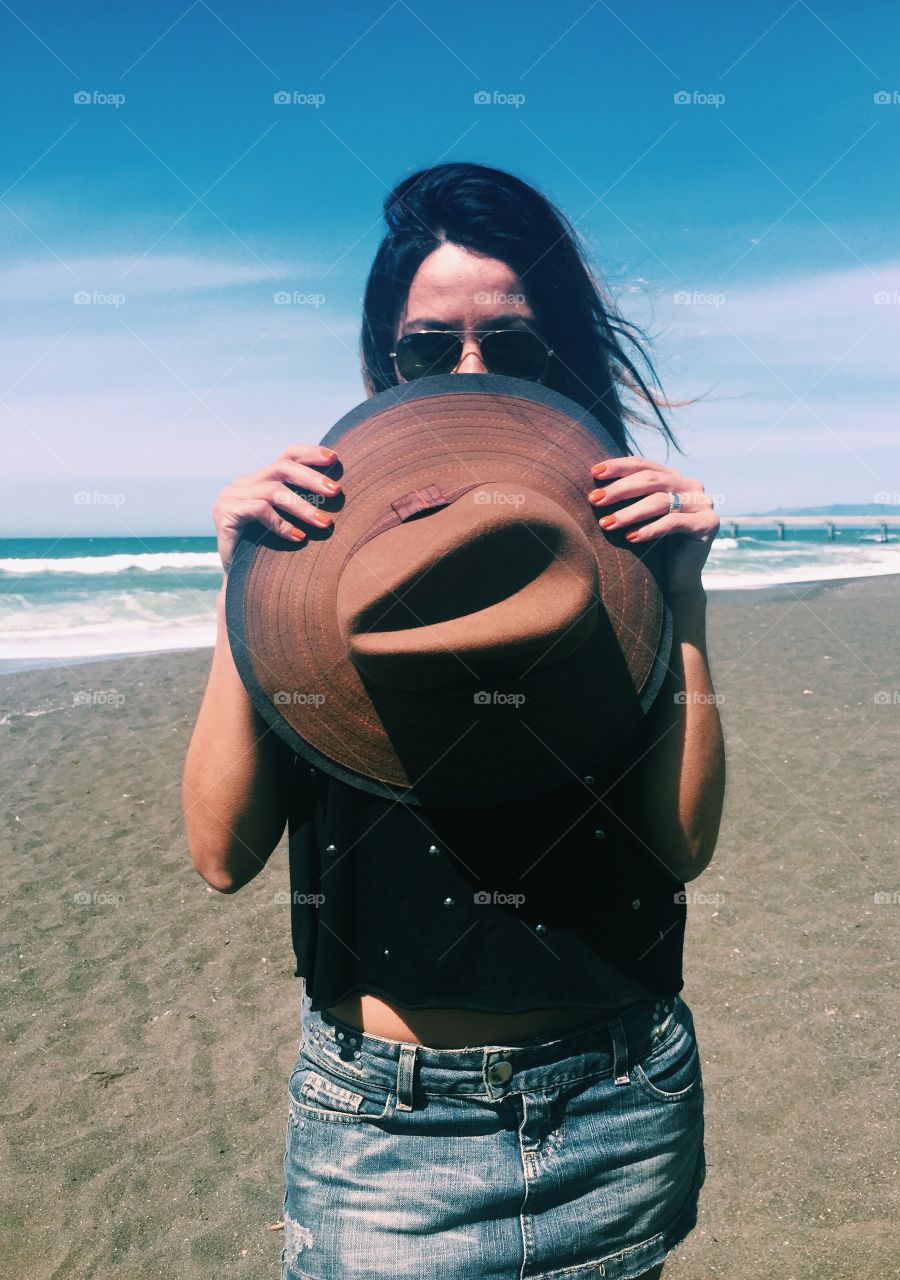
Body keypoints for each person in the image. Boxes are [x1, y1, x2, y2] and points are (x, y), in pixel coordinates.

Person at [183, 162, 724, 1280]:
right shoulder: (319, 556)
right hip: (387, 1127)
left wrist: (682, 595)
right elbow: (222, 854)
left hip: (618, 1095)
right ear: (384, 357)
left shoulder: (611, 551)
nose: (471, 369)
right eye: (432, 346)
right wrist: (247, 591)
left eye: (513, 344)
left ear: (560, 350)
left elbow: (681, 844)